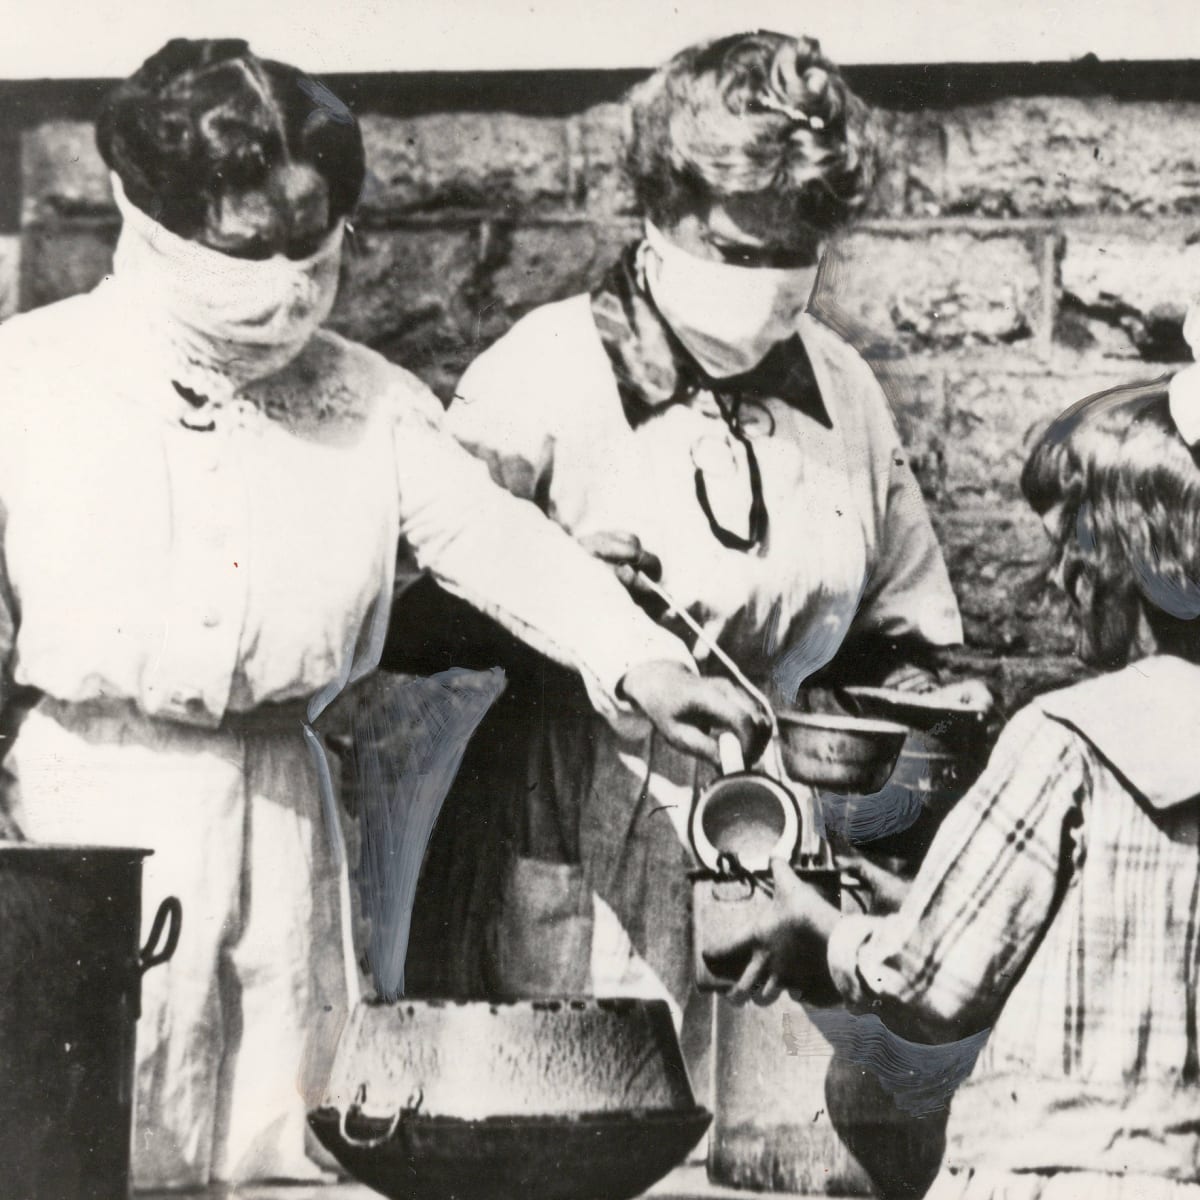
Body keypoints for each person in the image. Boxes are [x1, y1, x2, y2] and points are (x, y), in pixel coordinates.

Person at [0, 39, 767, 1190]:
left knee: (283, 1135)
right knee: (92, 1127)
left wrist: (647, 663)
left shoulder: (366, 401)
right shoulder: (34, 383)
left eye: (314, 248)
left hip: (285, 818)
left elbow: (504, 546)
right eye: (245, 249)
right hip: (81, 821)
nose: (286, 284)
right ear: (145, 218)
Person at [403, 29, 970, 1059]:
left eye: (795, 257)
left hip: (787, 837)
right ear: (661, 212)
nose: (769, 283)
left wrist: (891, 770)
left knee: (764, 1135)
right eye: (739, 252)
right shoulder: (549, 370)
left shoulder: (841, 389)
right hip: (577, 809)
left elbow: (904, 628)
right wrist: (568, 611)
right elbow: (418, 608)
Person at [713, 366, 1200, 1200]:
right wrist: (928, 898)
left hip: (1056, 1173)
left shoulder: (1065, 740)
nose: (1055, 582)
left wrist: (821, 931)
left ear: (1123, 563)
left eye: (1066, 551)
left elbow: (929, 984)